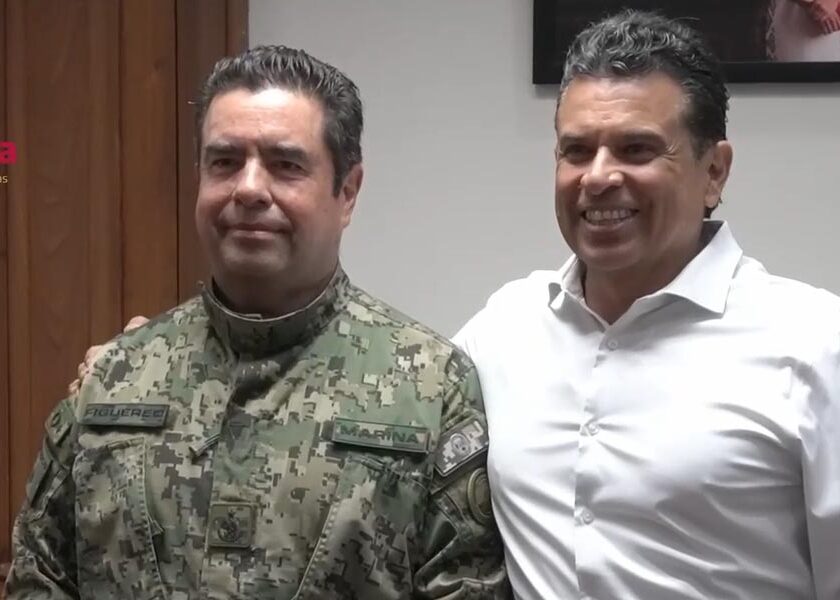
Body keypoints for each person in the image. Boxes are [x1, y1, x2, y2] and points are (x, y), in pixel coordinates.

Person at [5, 46, 510, 600]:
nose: (248, 188)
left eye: (285, 164)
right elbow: (39, 577)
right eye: (224, 161)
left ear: (347, 192)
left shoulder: (431, 388)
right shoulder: (115, 379)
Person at [454, 10, 840, 599]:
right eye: (576, 151)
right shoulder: (503, 331)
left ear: (714, 172)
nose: (598, 177)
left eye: (636, 149)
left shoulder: (816, 345)